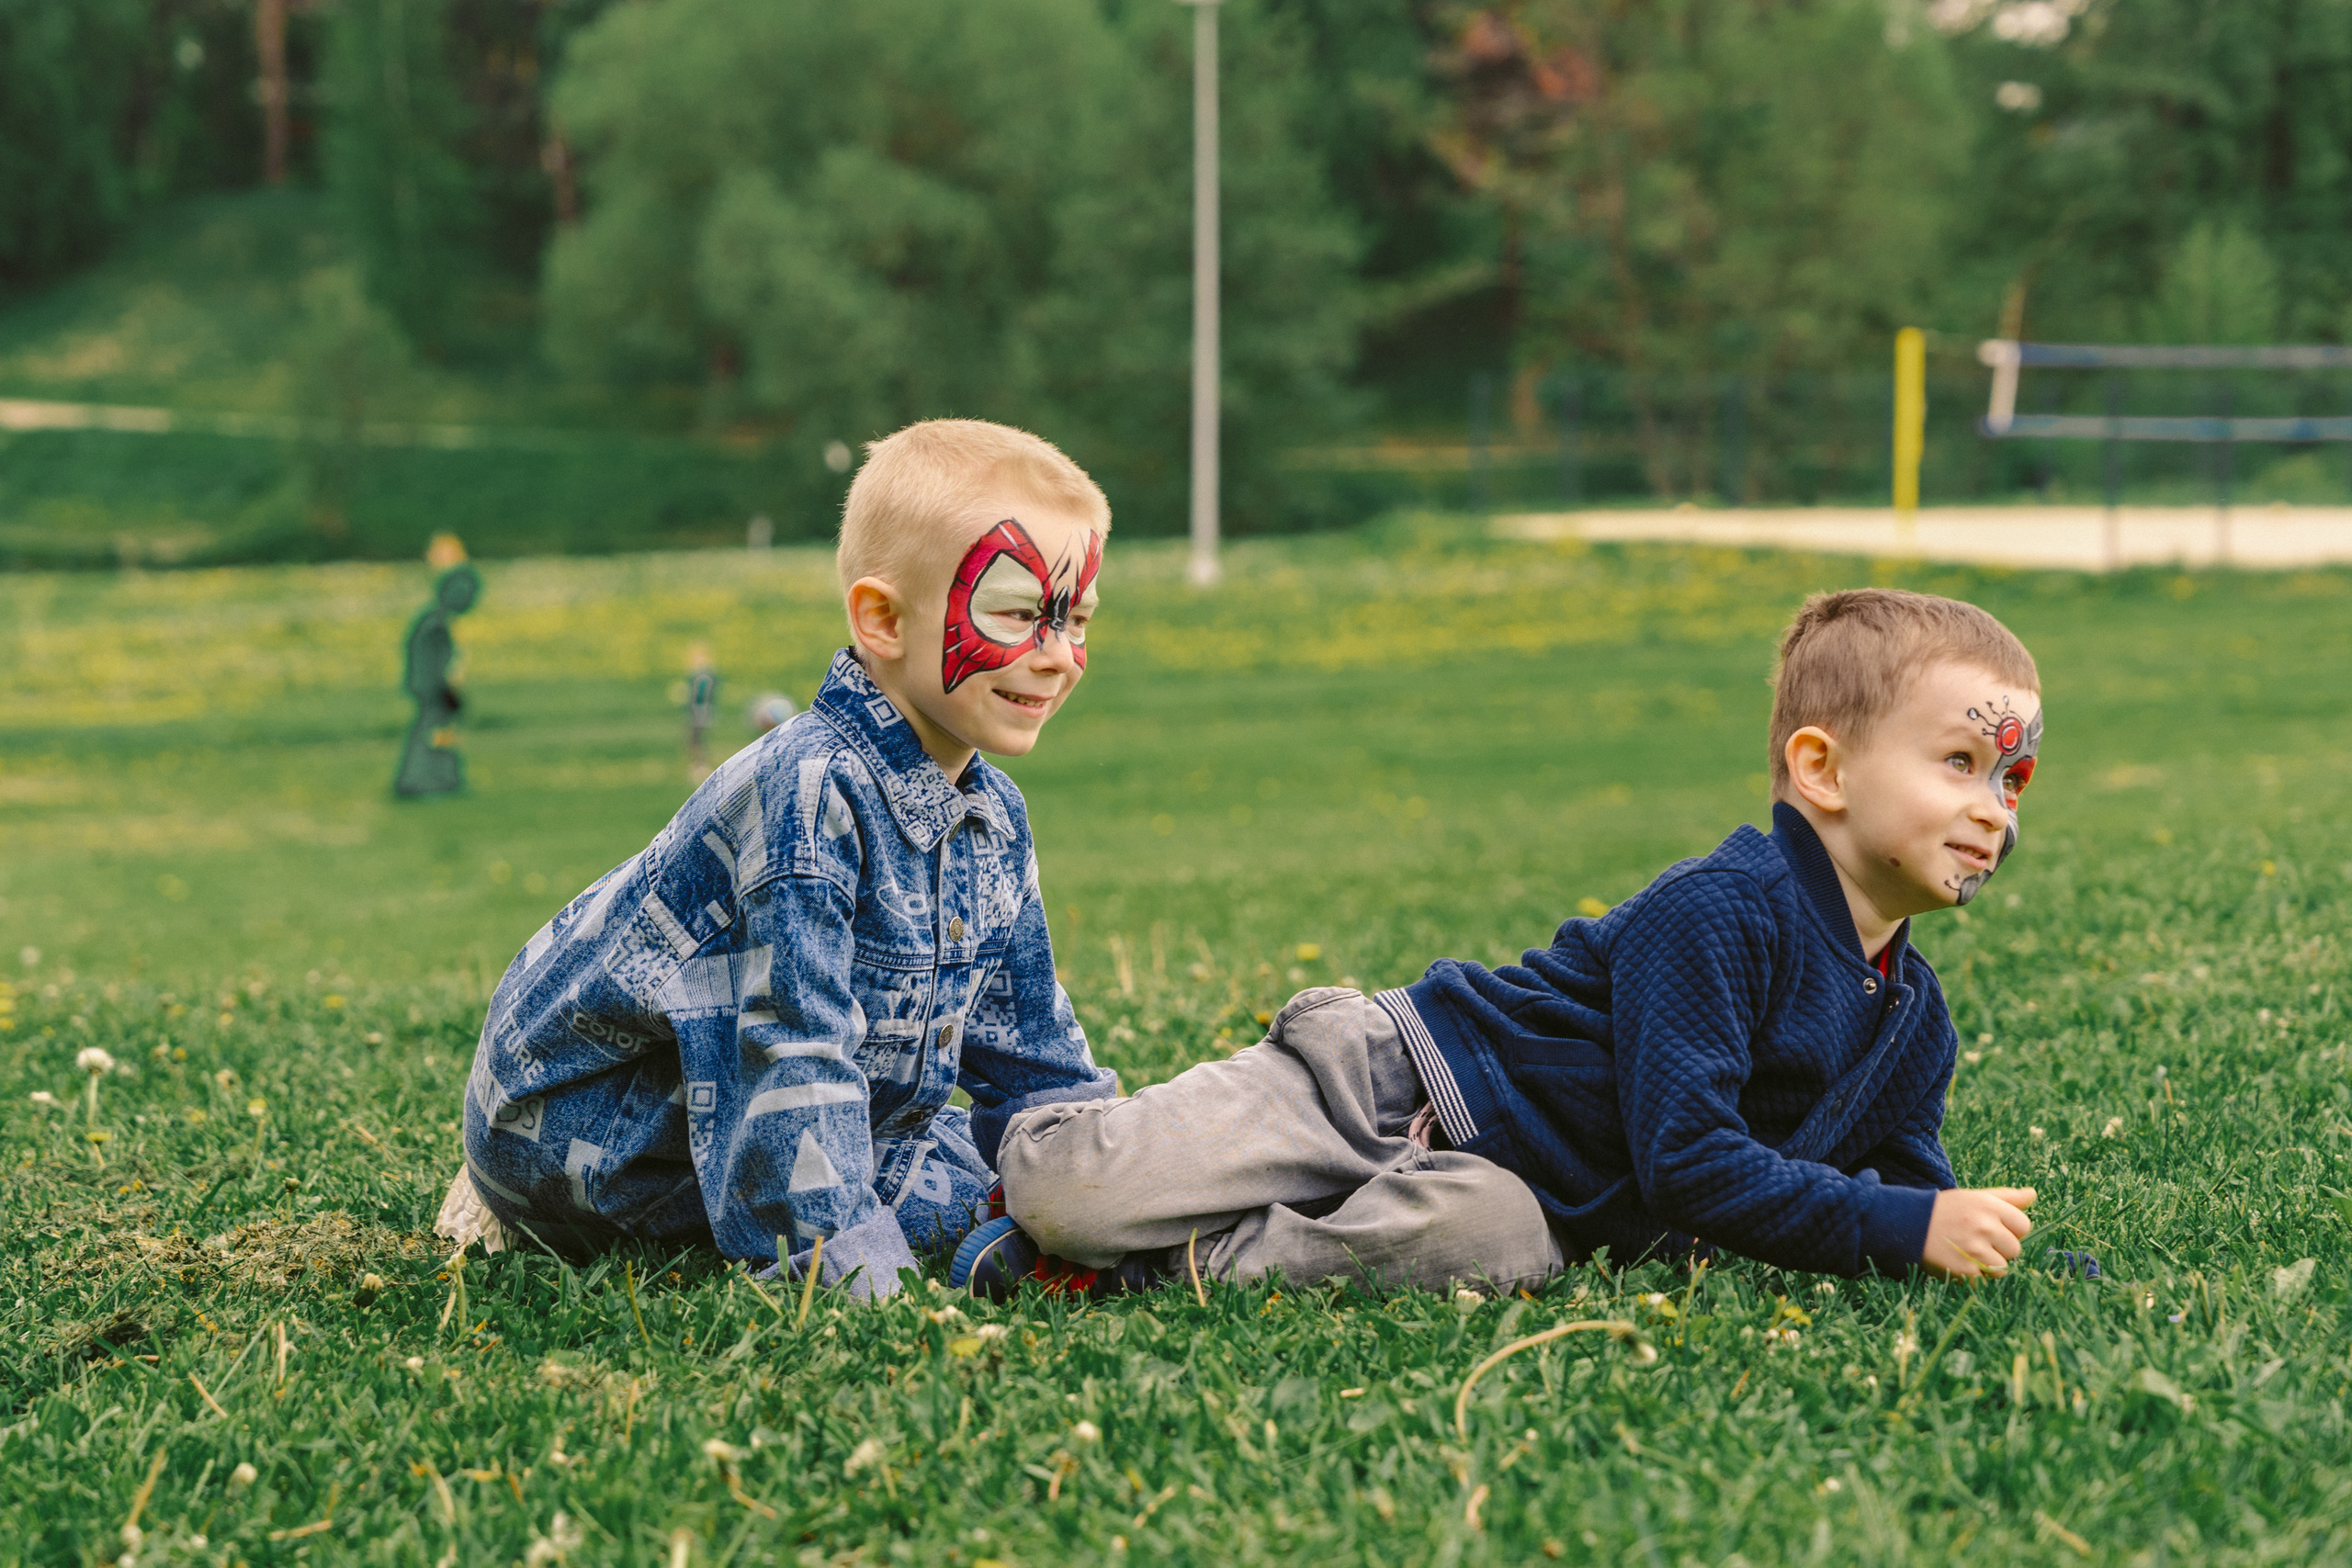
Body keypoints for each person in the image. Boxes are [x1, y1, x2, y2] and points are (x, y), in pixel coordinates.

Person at [959, 589, 2041, 1299]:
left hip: (1512, 1188)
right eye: (1958, 762)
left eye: (2011, 779)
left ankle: (1127, 1272)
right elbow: (1690, 1164)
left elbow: (1908, 1184)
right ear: (1823, 770)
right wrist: (1902, 1227)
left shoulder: (1911, 1019)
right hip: (1392, 1076)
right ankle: (969, 1181)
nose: (1993, 807)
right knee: (1074, 1194)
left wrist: (1958, 1239)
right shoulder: (1719, 910)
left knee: (1495, 1249)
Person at [435, 420, 1118, 1300]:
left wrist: (1114, 1188)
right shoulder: (806, 793)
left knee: (1025, 1177)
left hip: (804, 1107)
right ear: (882, 619)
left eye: (1077, 618)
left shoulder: (994, 815)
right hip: (598, 1131)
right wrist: (857, 1285)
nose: (1058, 655)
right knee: (945, 1196)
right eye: (1022, 614)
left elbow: (1035, 1057)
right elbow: (791, 1063)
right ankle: (505, 1204)